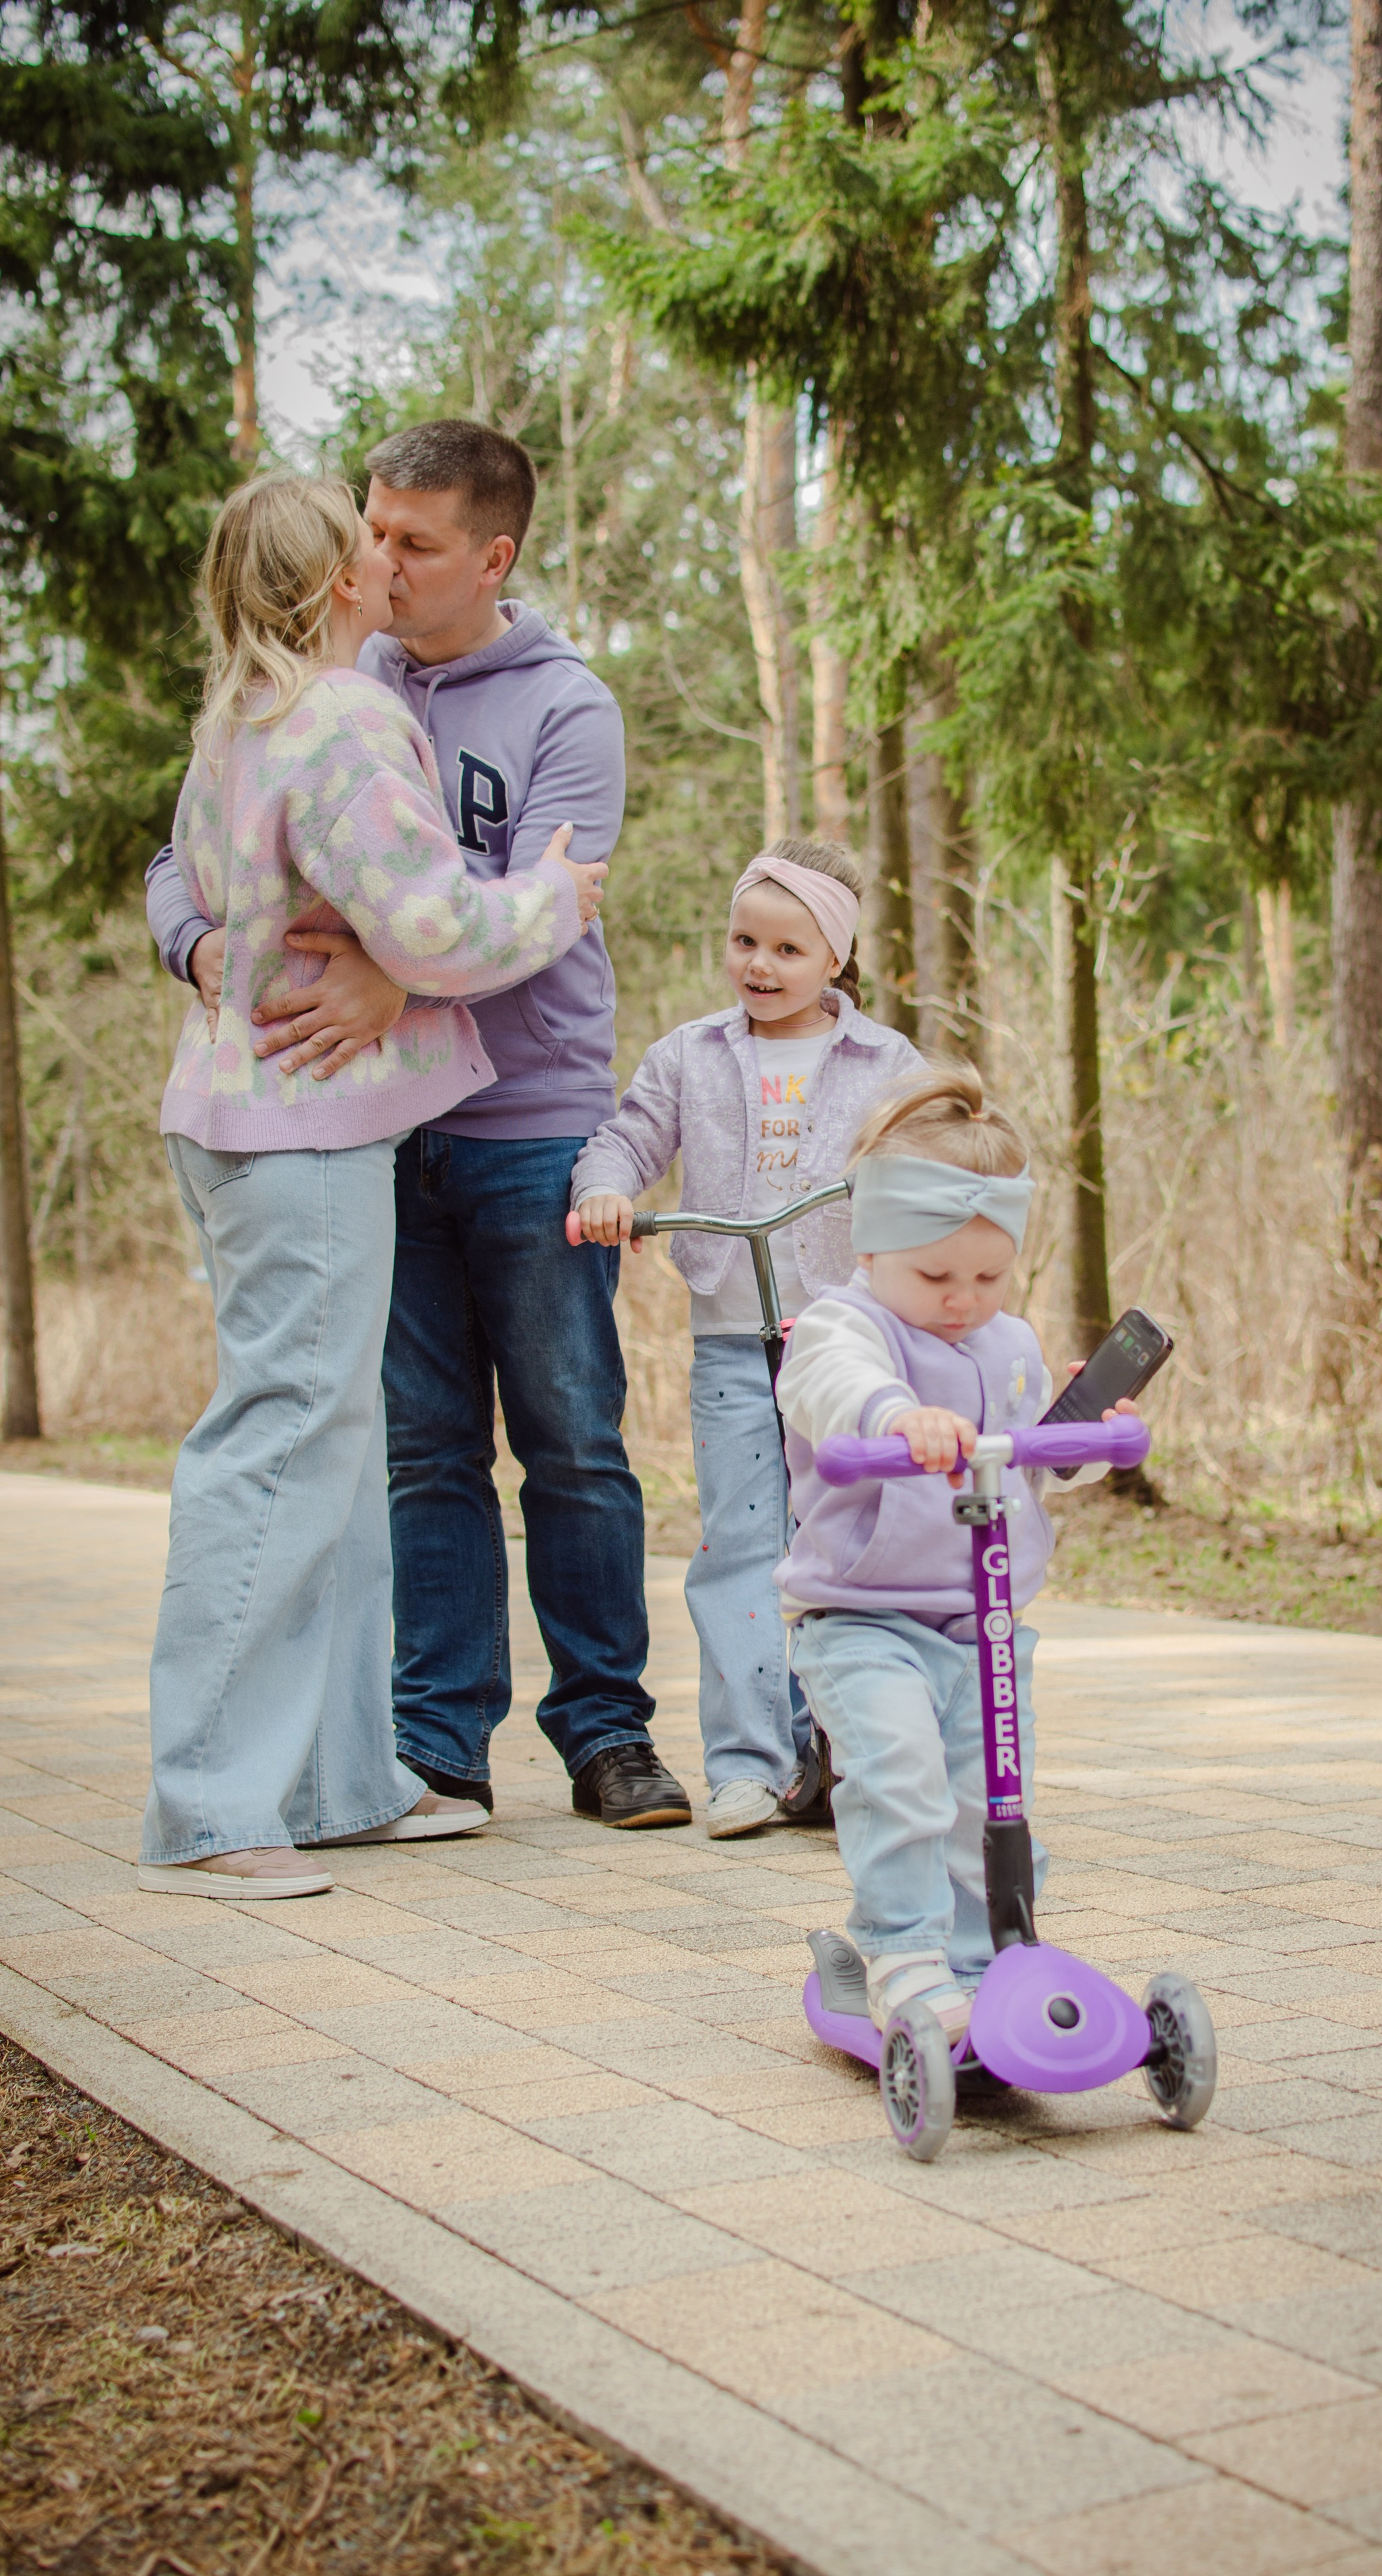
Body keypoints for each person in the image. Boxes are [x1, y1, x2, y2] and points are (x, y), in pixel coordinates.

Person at [146, 419, 690, 1831]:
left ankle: (603, 1730)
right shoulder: (335, 687)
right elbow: (189, 863)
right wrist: (209, 951)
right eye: (369, 533)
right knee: (410, 1450)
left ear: (490, 556)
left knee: (571, 1440)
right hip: (358, 1124)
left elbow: (495, 904)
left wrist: (397, 972)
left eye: (413, 540)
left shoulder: (566, 707)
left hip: (524, 1117)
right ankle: (432, 1742)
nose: (385, 559)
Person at [772, 1069, 1143, 2032]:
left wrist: (1084, 1436)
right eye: (935, 1277)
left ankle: (987, 1962)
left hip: (984, 1623)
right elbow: (831, 1383)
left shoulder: (1006, 1340)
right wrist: (897, 1416)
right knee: (901, 1778)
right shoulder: (842, 1323)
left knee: (990, 1798)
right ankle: (902, 1953)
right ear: (870, 1244)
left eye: (989, 1277)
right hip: (863, 1617)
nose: (962, 1301)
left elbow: (1030, 1464)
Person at [572, 842, 923, 1836]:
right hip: (732, 1333)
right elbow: (628, 1137)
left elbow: (935, 1150)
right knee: (738, 1545)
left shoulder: (887, 1063)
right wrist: (606, 1188)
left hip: (845, 1342)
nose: (760, 966)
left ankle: (843, 1750)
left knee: (842, 1542)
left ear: (835, 959)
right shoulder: (691, 1053)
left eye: (788, 950)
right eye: (744, 942)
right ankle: (745, 1763)